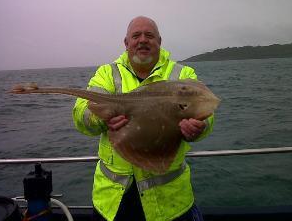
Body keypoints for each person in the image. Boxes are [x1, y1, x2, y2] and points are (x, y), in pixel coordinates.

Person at [72, 16, 215, 221]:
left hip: (169, 203)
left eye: (149, 35)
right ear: (126, 43)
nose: (142, 40)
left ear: (159, 41)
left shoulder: (181, 73)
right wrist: (101, 118)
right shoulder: (107, 73)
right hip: (113, 202)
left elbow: (207, 109)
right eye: (136, 35)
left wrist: (200, 127)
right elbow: (81, 114)